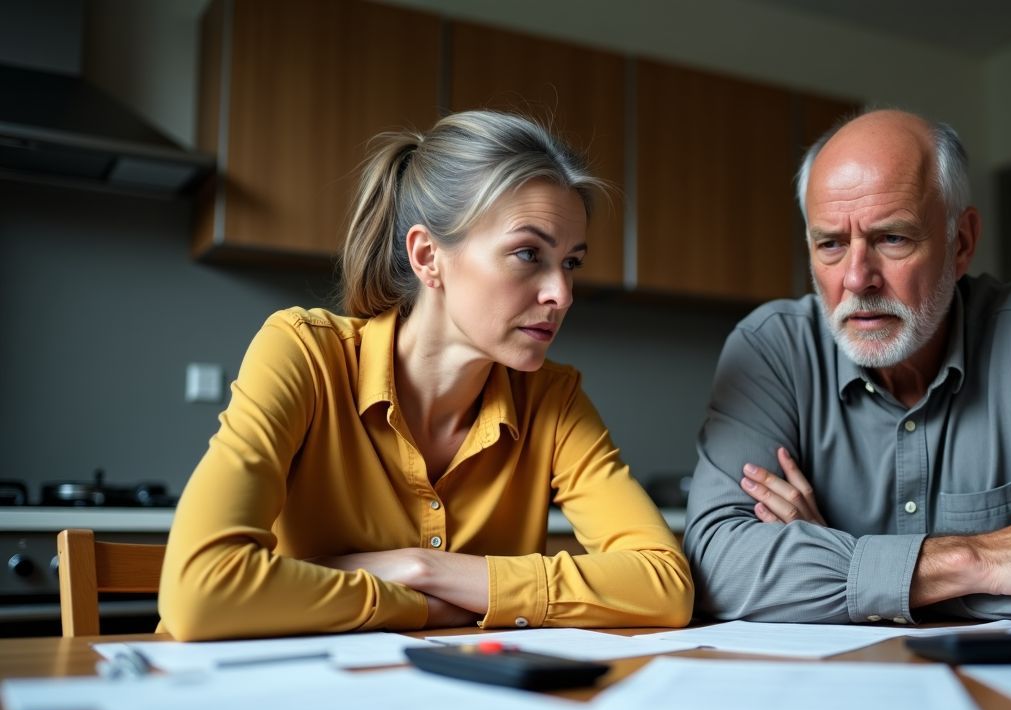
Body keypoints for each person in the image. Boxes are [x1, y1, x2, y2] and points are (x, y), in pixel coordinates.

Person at [159, 111, 692, 640]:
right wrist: (418, 606)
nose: (562, 294)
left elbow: (665, 585)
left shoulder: (553, 399)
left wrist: (422, 569)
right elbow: (200, 590)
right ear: (427, 256)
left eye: (571, 262)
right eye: (528, 253)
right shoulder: (304, 352)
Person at [684, 109, 1011, 626]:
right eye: (831, 243)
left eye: (893, 238)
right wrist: (979, 560)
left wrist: (834, 566)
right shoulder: (771, 348)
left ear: (960, 242)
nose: (857, 279)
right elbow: (713, 567)